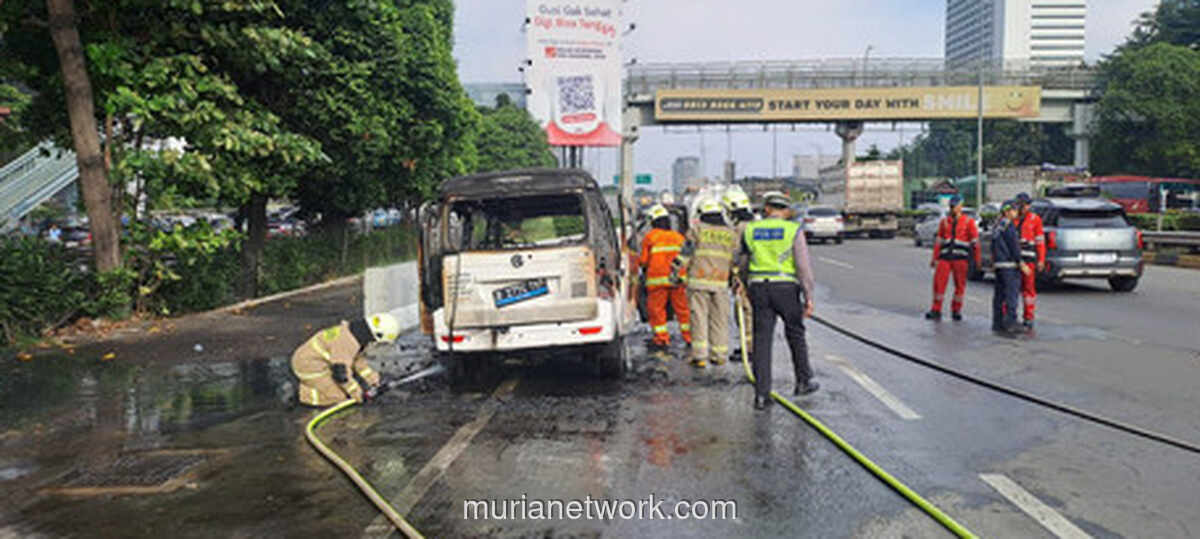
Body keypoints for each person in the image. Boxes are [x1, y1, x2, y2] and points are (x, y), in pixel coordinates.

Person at [741, 191, 818, 411]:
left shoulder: (751, 230)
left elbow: (744, 262)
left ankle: (761, 395)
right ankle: (803, 381)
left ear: (766, 209)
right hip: (785, 288)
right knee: (795, 333)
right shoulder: (793, 230)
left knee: (762, 340)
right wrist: (808, 297)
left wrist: (746, 287)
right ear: (785, 210)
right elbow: (803, 267)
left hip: (759, 287)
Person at [291, 312, 399, 406]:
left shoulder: (356, 335)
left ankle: (311, 385)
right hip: (308, 366)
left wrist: (374, 381)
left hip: (322, 363)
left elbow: (359, 362)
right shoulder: (347, 342)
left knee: (345, 388)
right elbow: (340, 375)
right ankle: (299, 392)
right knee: (339, 396)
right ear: (378, 335)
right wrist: (357, 394)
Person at [679, 198, 738, 368]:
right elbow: (735, 259)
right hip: (721, 283)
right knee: (719, 319)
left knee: (699, 318)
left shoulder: (696, 230)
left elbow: (685, 254)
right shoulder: (730, 233)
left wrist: (675, 272)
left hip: (698, 281)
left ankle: (700, 356)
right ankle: (719, 355)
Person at [639, 204, 691, 350]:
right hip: (677, 279)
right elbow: (687, 257)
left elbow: (643, 261)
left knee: (656, 310)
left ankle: (662, 339)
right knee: (683, 310)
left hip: (657, 280)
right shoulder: (678, 237)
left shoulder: (650, 237)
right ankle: (690, 337)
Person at [925, 195, 981, 321]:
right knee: (939, 284)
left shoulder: (969, 223)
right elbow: (939, 242)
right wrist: (934, 258)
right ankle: (936, 309)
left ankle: (956, 310)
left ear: (960, 207)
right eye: (951, 207)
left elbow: (975, 244)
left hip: (960, 259)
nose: (953, 209)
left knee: (960, 286)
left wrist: (977, 260)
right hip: (945, 258)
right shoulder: (944, 222)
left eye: (955, 207)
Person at [723, 189, 757, 361]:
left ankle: (749, 349)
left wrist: (734, 277)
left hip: (744, 278)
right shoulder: (757, 224)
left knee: (745, 313)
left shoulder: (739, 229)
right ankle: (753, 347)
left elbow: (735, 255)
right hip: (759, 277)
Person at [991, 202, 1030, 334]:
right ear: (1007, 212)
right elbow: (1014, 246)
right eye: (1014, 210)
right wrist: (1021, 263)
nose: (1016, 212)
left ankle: (997, 322)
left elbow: (993, 246)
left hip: (999, 265)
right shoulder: (1009, 226)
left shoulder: (997, 226)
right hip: (1009, 266)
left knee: (999, 295)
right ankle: (1011, 322)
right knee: (1011, 295)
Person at [1014, 193, 1046, 330]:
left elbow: (1040, 242)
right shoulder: (1012, 218)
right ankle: (1010, 316)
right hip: (1013, 260)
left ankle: (1028, 317)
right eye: (1021, 204)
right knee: (1012, 289)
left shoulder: (1035, 220)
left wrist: (1041, 260)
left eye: (1026, 204)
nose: (1023, 207)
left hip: (1028, 260)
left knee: (1028, 290)